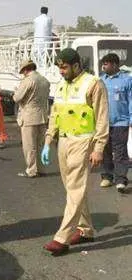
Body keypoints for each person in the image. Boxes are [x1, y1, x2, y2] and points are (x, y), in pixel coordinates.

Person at [41, 48, 109, 255]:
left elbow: (102, 117)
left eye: (64, 67)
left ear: (77, 65)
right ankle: (86, 229)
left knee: (76, 188)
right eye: (59, 67)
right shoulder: (62, 86)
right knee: (72, 189)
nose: (61, 71)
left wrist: (98, 148)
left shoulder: (93, 84)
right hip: (63, 142)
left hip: (83, 141)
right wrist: (47, 140)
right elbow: (55, 114)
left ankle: (62, 238)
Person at [99, 53, 132, 193]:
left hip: (121, 122)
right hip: (104, 122)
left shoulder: (127, 80)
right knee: (105, 150)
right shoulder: (101, 80)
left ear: (114, 64)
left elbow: (131, 100)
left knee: (120, 152)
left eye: (106, 64)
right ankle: (107, 176)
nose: (103, 66)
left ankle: (121, 179)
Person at [13, 60, 51, 178]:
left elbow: (17, 98)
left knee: (29, 146)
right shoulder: (45, 80)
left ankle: (31, 170)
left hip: (29, 116)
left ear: (26, 70)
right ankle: (42, 169)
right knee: (40, 144)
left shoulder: (28, 81)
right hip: (42, 116)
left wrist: (15, 92)